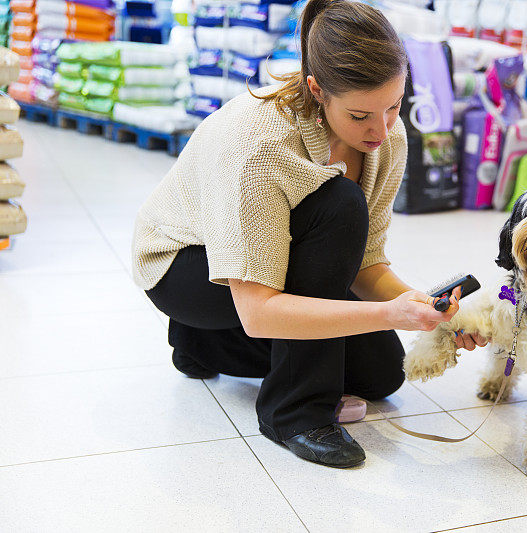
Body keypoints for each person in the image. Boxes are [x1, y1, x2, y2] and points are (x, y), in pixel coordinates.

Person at [132, 0, 487, 469]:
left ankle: (202, 342)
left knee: (380, 374)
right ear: (317, 90)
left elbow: (365, 262)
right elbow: (259, 314)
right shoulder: (261, 148)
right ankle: (293, 413)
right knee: (339, 203)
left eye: (393, 106)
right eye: (360, 116)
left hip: (265, 271)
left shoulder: (387, 136)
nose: (381, 130)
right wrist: (384, 314)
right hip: (188, 267)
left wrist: (420, 308)